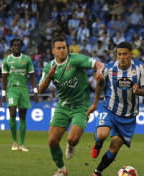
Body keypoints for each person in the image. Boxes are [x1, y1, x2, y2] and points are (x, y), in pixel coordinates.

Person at [38, 36, 104, 176]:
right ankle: (62, 171)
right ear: (53, 51)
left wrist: (99, 71)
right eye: (59, 48)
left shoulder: (76, 59)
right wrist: (49, 77)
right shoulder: (49, 67)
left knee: (72, 139)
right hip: (63, 106)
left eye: (64, 47)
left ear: (67, 48)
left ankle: (71, 145)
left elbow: (99, 64)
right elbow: (40, 90)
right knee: (52, 141)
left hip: (81, 105)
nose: (62, 50)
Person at [86, 41, 144, 176]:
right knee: (102, 135)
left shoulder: (140, 68)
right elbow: (99, 85)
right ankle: (98, 143)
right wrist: (95, 103)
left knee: (114, 148)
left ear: (131, 54)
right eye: (119, 54)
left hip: (128, 116)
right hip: (110, 109)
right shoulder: (109, 68)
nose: (121, 57)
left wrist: (138, 91)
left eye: (124, 54)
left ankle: (97, 172)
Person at [0, 39, 39, 152]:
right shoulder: (6, 60)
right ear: (11, 47)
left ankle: (22, 144)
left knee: (22, 116)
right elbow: (4, 78)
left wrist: (35, 91)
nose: (16, 47)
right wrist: (3, 94)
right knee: (12, 112)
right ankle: (14, 141)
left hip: (24, 89)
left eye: (18, 45)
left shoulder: (27, 59)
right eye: (14, 45)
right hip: (12, 88)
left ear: (21, 47)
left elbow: (32, 76)